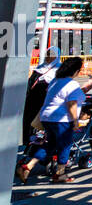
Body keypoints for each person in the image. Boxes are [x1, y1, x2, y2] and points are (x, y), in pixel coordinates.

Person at [17, 56, 86, 184]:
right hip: (62, 119)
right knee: (65, 145)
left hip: (47, 118)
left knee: (50, 145)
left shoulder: (55, 80)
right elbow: (71, 104)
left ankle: (27, 167)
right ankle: (60, 174)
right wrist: (75, 122)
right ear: (75, 71)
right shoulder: (71, 84)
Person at [23, 46, 61, 138]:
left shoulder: (59, 71)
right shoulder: (39, 68)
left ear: (57, 57)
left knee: (40, 127)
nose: (48, 57)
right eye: (48, 54)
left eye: (52, 55)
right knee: (28, 123)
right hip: (31, 102)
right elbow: (30, 83)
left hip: (44, 103)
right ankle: (28, 143)